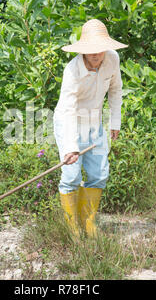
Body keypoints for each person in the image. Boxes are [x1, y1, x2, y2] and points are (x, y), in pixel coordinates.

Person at [53, 19, 127, 237]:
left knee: (99, 174)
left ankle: (89, 224)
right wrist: (71, 147)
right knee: (71, 175)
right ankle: (72, 227)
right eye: (91, 50)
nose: (96, 54)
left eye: (99, 49)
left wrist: (115, 122)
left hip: (94, 123)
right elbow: (67, 110)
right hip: (71, 123)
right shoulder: (72, 71)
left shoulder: (113, 59)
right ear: (83, 50)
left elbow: (115, 90)